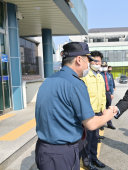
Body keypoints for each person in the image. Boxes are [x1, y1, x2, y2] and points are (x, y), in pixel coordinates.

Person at [35, 42, 116, 170]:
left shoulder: (48, 80)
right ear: (79, 59)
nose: (89, 65)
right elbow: (91, 124)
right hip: (62, 153)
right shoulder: (75, 84)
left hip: (42, 149)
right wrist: (108, 115)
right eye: (88, 61)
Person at [80, 51, 106, 170]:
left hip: (98, 113)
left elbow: (103, 94)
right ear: (90, 62)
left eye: (99, 61)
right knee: (87, 140)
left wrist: (104, 109)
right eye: (94, 60)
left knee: (95, 138)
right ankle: (87, 162)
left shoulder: (100, 76)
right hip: (88, 113)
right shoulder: (85, 76)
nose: (97, 63)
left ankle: (94, 159)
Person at [100, 62, 116, 130]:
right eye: (103, 66)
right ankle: (101, 124)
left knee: (109, 108)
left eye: (105, 66)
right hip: (102, 94)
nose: (104, 67)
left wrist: (112, 93)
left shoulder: (109, 75)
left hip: (108, 92)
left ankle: (109, 124)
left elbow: (111, 84)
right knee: (102, 109)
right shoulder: (99, 75)